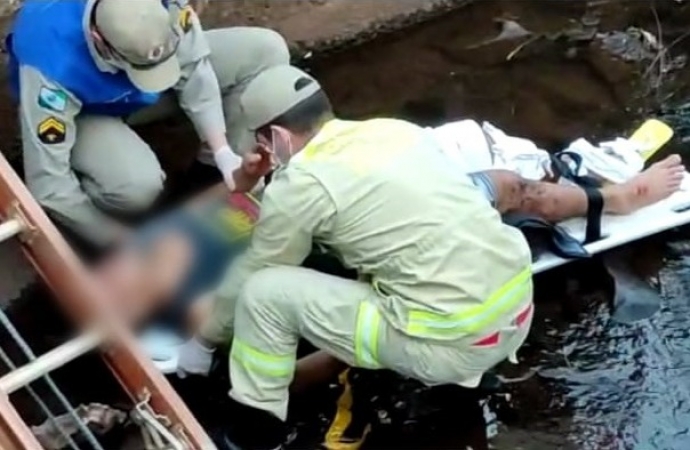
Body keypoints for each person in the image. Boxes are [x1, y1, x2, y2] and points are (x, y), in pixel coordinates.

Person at [167, 65, 684, 449]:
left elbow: (260, 268)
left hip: (448, 341)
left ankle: (250, 429)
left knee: (265, 294)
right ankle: (458, 383)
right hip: (513, 310)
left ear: (276, 137)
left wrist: (202, 343)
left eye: (262, 143)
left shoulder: (303, 183)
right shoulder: (392, 133)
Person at [6, 0, 287, 246]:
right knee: (136, 188)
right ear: (98, 38)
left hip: (141, 89)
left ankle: (211, 181)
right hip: (85, 111)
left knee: (267, 51)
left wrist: (222, 151)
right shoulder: (50, 63)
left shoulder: (160, 7)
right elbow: (49, 186)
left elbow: (193, 69)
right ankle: (112, 214)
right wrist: (125, 243)